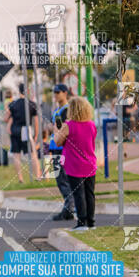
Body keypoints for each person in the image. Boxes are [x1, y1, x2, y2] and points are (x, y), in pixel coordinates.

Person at [54, 97, 97, 231]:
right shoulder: (91, 124)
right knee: (90, 194)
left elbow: (57, 142)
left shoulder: (68, 125)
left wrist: (57, 129)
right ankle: (91, 222)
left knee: (79, 194)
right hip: (90, 163)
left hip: (74, 165)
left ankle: (82, 223)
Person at [4, 83, 42, 183]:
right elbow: (36, 122)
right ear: (27, 91)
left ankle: (20, 179)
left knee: (16, 155)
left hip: (15, 130)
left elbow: (5, 118)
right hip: (26, 130)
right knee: (33, 154)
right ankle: (37, 176)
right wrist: (36, 135)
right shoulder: (32, 104)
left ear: (19, 91)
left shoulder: (13, 104)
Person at [48, 84, 75, 221]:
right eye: (54, 92)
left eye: (58, 92)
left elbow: (65, 130)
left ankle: (69, 207)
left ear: (65, 92)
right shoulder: (58, 110)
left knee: (62, 179)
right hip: (55, 148)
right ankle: (68, 207)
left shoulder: (67, 110)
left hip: (62, 149)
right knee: (60, 179)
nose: (56, 94)